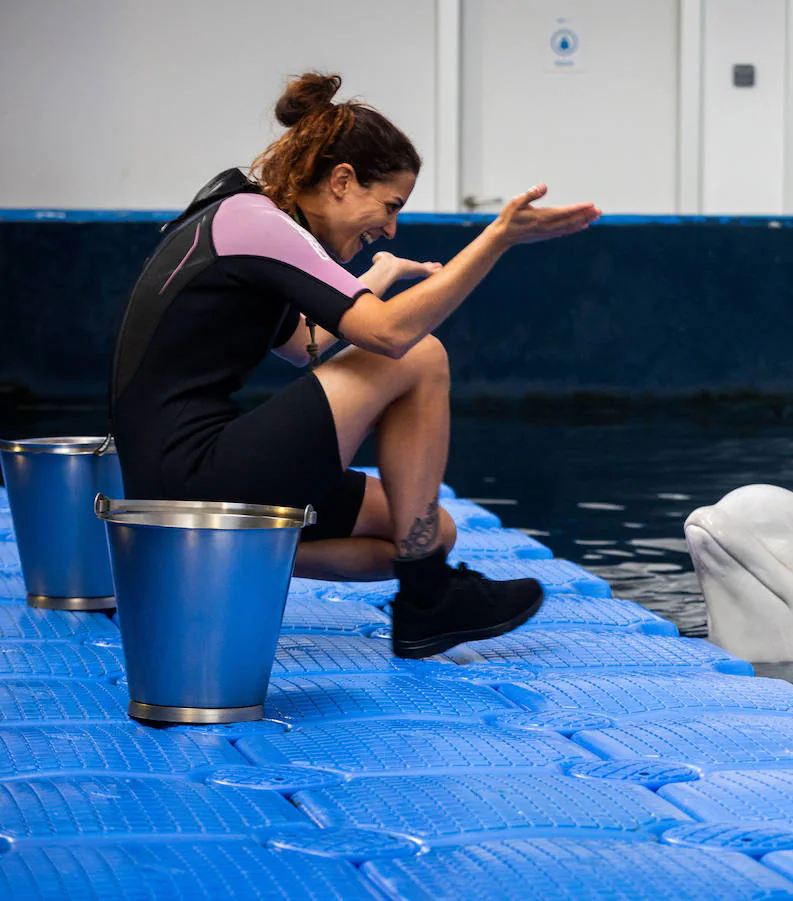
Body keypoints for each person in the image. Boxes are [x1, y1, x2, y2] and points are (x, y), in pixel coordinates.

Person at [108, 72, 600, 658]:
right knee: (421, 354)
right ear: (342, 180)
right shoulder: (256, 221)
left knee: (428, 533)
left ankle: (194, 564)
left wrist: (377, 276)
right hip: (187, 473)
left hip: (176, 486)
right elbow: (390, 336)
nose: (389, 228)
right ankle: (426, 603)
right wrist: (495, 240)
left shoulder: (255, 219)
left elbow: (302, 345)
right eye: (389, 206)